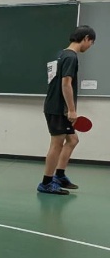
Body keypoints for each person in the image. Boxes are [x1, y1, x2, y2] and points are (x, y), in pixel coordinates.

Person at [38, 25, 97, 194]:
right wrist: (71, 110)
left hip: (56, 106)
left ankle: (59, 176)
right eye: (91, 42)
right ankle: (46, 183)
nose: (90, 46)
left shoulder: (60, 54)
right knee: (57, 144)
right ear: (86, 38)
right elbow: (66, 84)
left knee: (72, 140)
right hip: (58, 108)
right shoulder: (71, 57)